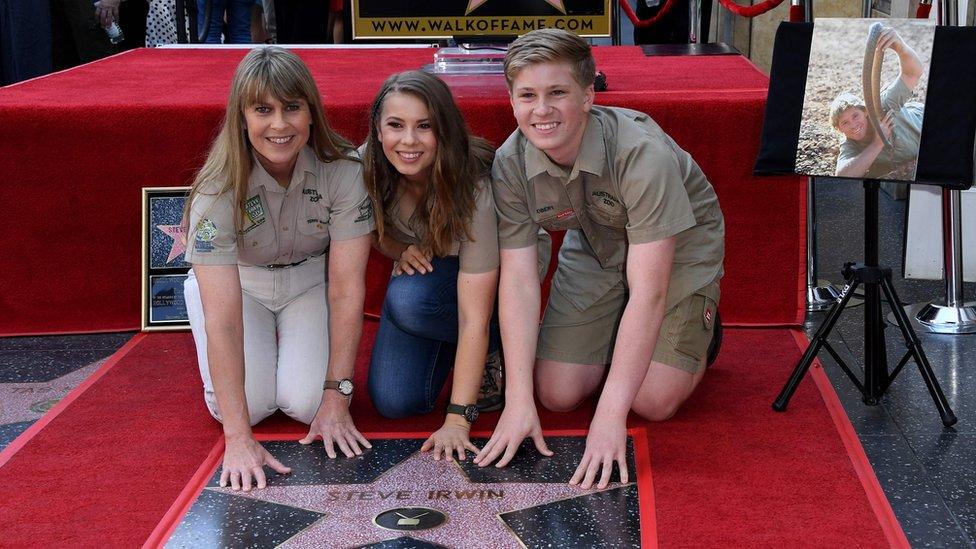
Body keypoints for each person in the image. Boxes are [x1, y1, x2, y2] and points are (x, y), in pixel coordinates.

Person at [474, 29, 725, 491]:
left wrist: (610, 416)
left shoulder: (641, 156)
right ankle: (621, 343)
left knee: (651, 401)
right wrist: (517, 399)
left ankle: (700, 330)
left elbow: (649, 293)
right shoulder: (510, 163)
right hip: (595, 244)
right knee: (556, 394)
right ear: (511, 102)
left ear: (588, 96)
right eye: (527, 95)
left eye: (557, 93)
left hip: (677, 252)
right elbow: (519, 281)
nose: (542, 110)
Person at [183, 46, 374, 491]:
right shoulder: (217, 187)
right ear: (242, 117)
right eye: (263, 110)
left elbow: (347, 289)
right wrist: (237, 436)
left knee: (308, 403)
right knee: (247, 406)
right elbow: (225, 320)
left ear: (311, 111)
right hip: (240, 285)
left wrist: (337, 395)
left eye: (292, 107)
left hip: (309, 279)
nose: (280, 124)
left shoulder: (344, 171)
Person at [362, 71, 503, 461]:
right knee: (395, 401)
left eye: (424, 126)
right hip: (433, 287)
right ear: (377, 128)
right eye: (395, 125)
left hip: (489, 281)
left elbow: (474, 312)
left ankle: (499, 341)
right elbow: (368, 228)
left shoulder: (474, 185)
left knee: (408, 300)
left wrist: (459, 418)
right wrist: (398, 246)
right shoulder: (364, 166)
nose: (408, 141)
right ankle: (463, 347)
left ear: (445, 128)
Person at [831, 26, 924, 179]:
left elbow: (913, 73)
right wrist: (877, 143)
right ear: (840, 130)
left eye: (855, 116)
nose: (853, 125)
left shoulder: (882, 104)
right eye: (845, 123)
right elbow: (843, 176)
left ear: (865, 111)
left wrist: (900, 46)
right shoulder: (850, 144)